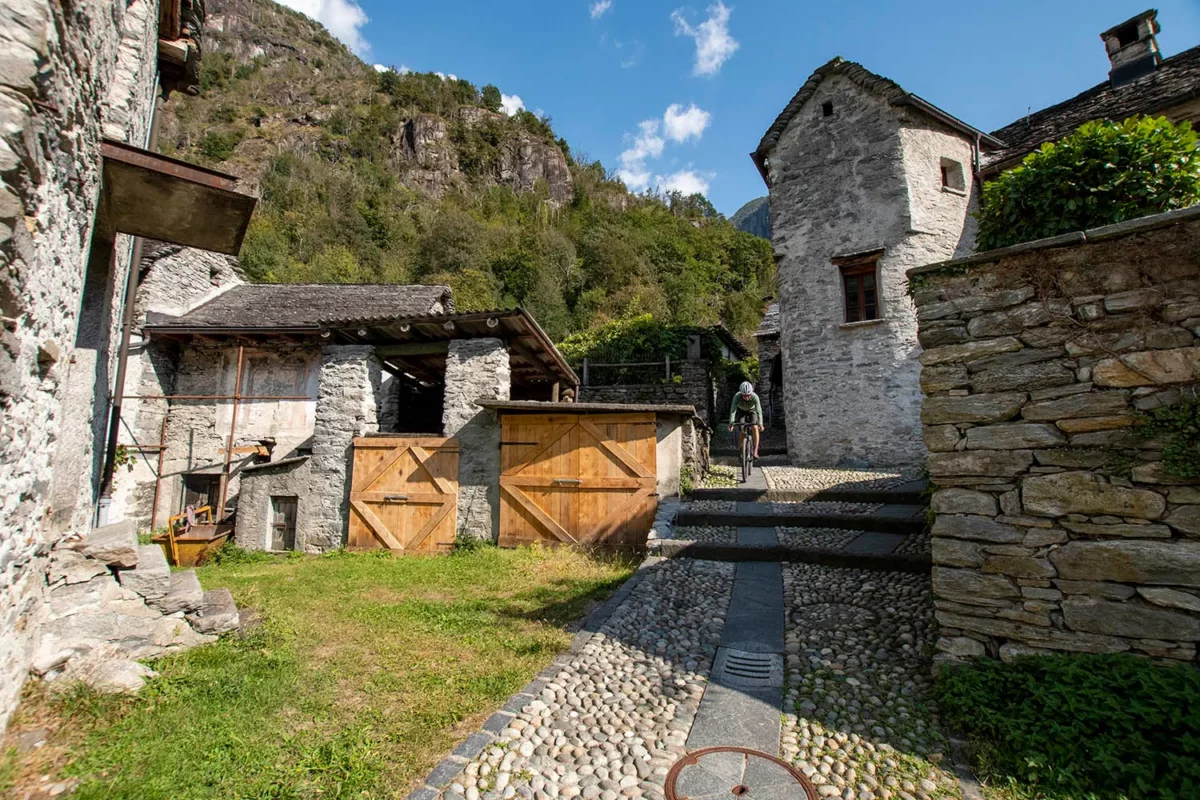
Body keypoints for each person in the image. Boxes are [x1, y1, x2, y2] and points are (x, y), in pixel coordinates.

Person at [728, 381, 764, 460]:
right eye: (744, 396)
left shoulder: (755, 397)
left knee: (755, 427)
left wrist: (760, 424)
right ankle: (741, 450)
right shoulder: (737, 396)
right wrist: (731, 423)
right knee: (742, 429)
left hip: (752, 410)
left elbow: (759, 411)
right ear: (741, 394)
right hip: (741, 411)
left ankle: (755, 451)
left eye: (748, 395)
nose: (747, 397)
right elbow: (733, 410)